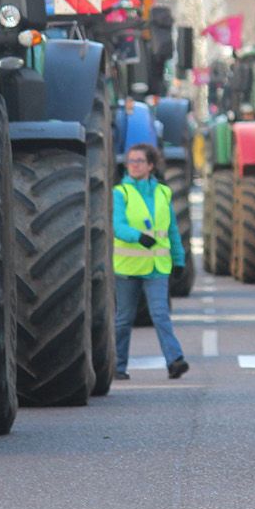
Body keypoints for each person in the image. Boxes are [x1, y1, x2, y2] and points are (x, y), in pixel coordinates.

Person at [112, 143, 188, 380]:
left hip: (158, 266)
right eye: (130, 161)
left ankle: (175, 360)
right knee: (124, 319)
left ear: (151, 165)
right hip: (128, 267)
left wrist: (179, 260)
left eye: (139, 161)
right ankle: (117, 366)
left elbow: (171, 230)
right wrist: (138, 237)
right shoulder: (120, 193)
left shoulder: (163, 193)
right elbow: (118, 225)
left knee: (160, 314)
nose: (134, 165)